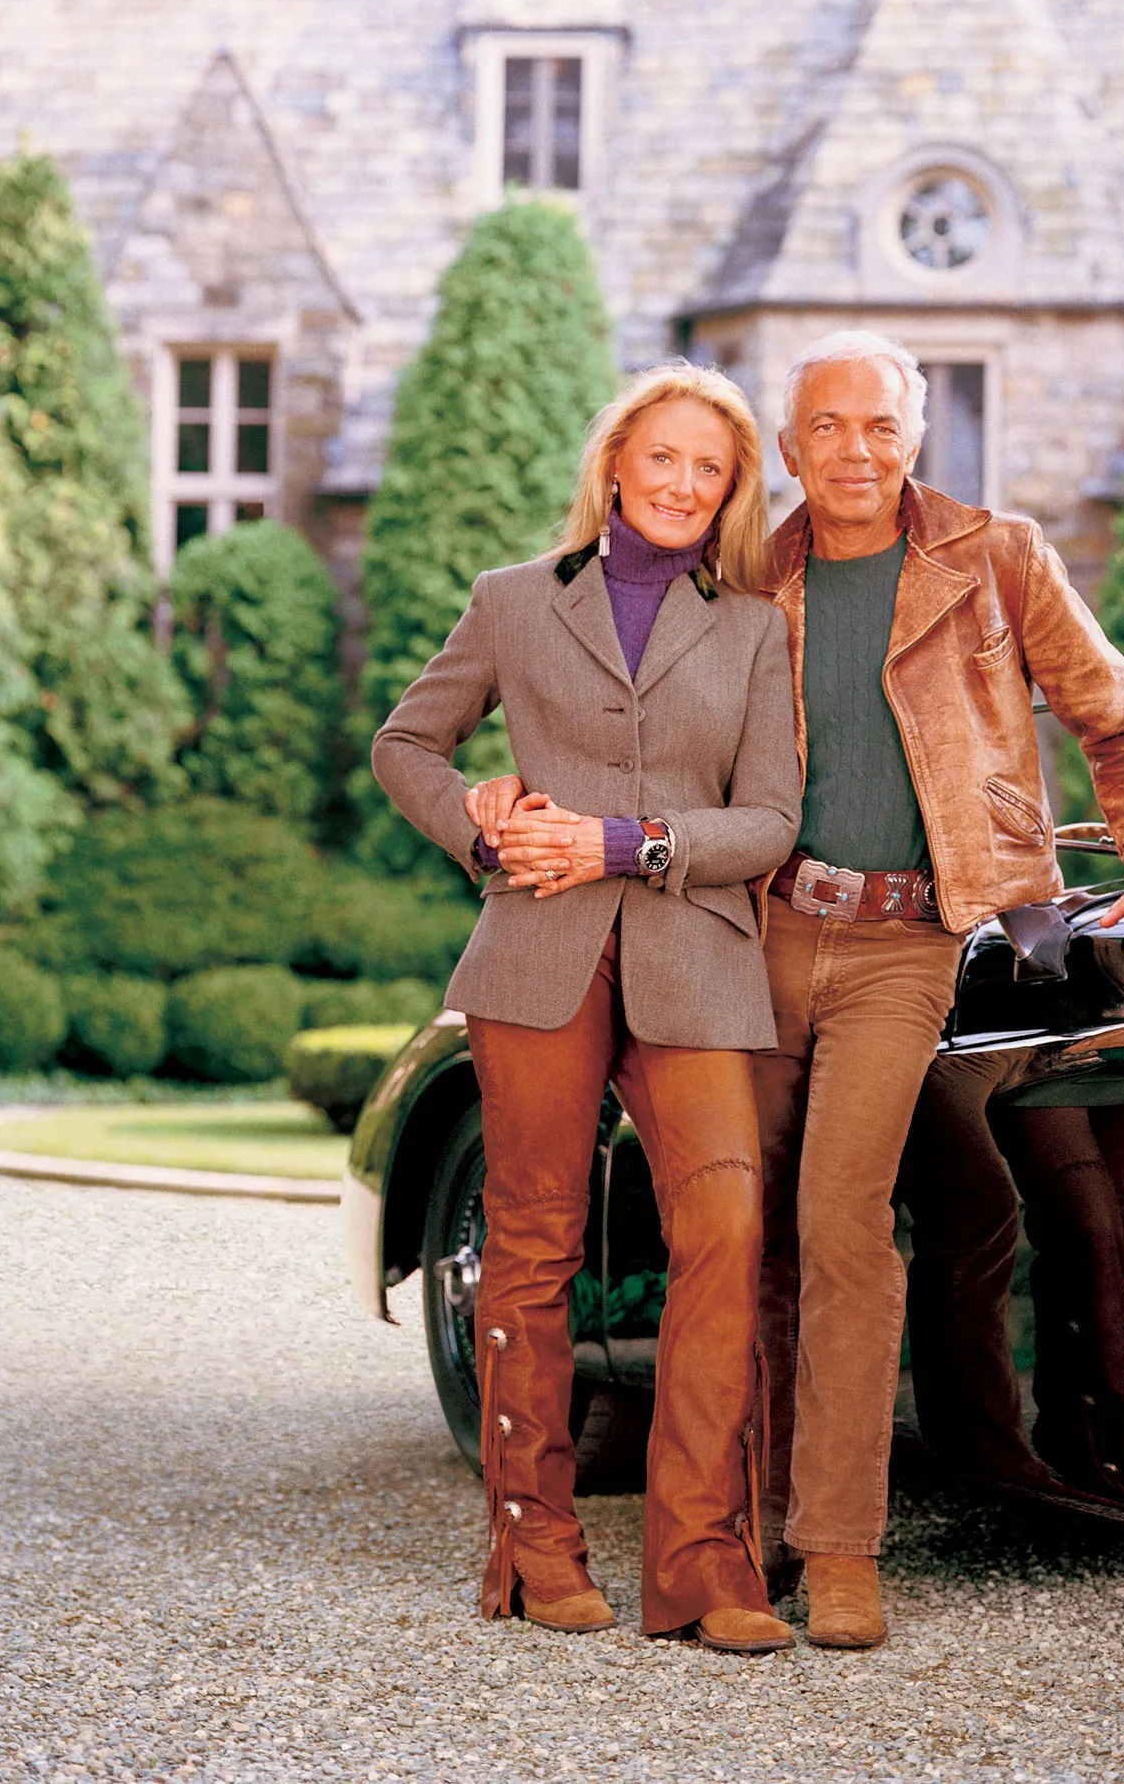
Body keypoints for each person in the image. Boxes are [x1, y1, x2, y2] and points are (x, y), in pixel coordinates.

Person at [749, 329, 1124, 1651]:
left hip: (909, 944)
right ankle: (738, 1517)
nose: (856, 449)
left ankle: (837, 1544)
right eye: (828, 427)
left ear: (918, 435)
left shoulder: (997, 554)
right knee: (741, 1228)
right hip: (760, 929)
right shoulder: (750, 572)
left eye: (881, 424)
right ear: (791, 450)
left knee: (843, 1222)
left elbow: (1111, 707)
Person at [371, 363, 801, 1654]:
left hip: (696, 956)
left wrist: (623, 840)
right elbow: (407, 745)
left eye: (707, 468)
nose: (679, 482)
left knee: (724, 1223)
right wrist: (480, 822)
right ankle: (535, 1541)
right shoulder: (512, 602)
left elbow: (771, 822)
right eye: (660, 457)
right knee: (535, 1242)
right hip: (535, 960)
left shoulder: (752, 630)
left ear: (728, 493)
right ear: (617, 464)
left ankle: (701, 1562)